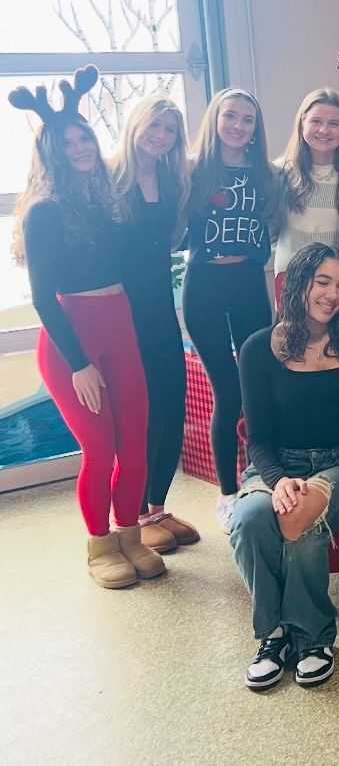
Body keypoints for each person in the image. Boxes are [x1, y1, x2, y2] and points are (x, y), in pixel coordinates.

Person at [9, 67, 163, 588]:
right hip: (71, 343)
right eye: (67, 143)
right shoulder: (43, 212)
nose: (79, 148)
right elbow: (42, 298)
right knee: (100, 450)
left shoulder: (106, 201)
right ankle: (100, 544)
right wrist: (78, 364)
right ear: (50, 153)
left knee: (134, 443)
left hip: (120, 330)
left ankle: (130, 535)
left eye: (84, 138)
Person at [231, 243, 339, 689]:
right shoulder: (257, 348)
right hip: (277, 463)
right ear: (299, 284)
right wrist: (278, 480)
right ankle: (273, 635)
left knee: (304, 522)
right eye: (322, 282)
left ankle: (312, 637)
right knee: (249, 520)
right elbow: (257, 437)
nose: (333, 294)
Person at [183, 88, 278, 533]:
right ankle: (226, 493)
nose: (239, 125)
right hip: (204, 285)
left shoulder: (266, 174)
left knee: (256, 385)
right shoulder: (193, 171)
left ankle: (261, 478)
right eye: (231, 116)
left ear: (256, 128)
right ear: (215, 120)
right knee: (227, 391)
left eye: (248, 119)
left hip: (248, 284)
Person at [110, 96, 200, 551]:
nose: (160, 136)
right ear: (136, 125)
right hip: (121, 313)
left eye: (170, 130)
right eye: (155, 126)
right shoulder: (109, 180)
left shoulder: (171, 179)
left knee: (171, 405)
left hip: (161, 309)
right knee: (137, 416)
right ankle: (130, 515)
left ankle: (156, 507)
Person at [274, 88, 339, 309]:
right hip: (291, 281)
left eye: (334, 123)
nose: (324, 130)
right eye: (316, 121)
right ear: (302, 122)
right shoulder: (280, 172)